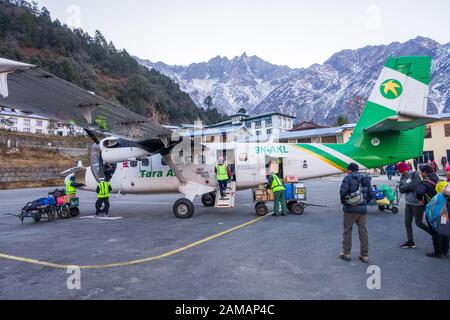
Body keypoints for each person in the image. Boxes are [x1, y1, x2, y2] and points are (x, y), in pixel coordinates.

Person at [339, 163, 373, 263]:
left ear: (350, 170)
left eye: (347, 170)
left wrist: (346, 203)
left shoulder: (348, 178)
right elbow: (371, 194)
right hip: (362, 210)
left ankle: (347, 254)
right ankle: (364, 255)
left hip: (350, 209)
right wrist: (364, 202)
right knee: (363, 232)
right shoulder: (366, 179)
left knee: (347, 231)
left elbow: (342, 193)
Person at [398, 162, 431, 249]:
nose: (403, 173)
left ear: (407, 169)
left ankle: (435, 235)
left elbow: (414, 186)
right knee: (407, 222)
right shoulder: (402, 177)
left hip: (417, 203)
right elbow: (400, 189)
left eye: (403, 171)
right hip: (408, 203)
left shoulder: (414, 174)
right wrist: (406, 187)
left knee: (419, 223)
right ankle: (410, 242)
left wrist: (404, 187)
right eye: (401, 172)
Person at [416, 164, 443, 259]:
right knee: (444, 227)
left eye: (421, 172)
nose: (420, 174)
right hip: (443, 209)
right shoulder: (438, 179)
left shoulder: (425, 182)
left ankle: (439, 252)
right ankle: (445, 250)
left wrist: (420, 200)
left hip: (432, 210)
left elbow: (419, 192)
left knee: (434, 230)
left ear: (424, 172)